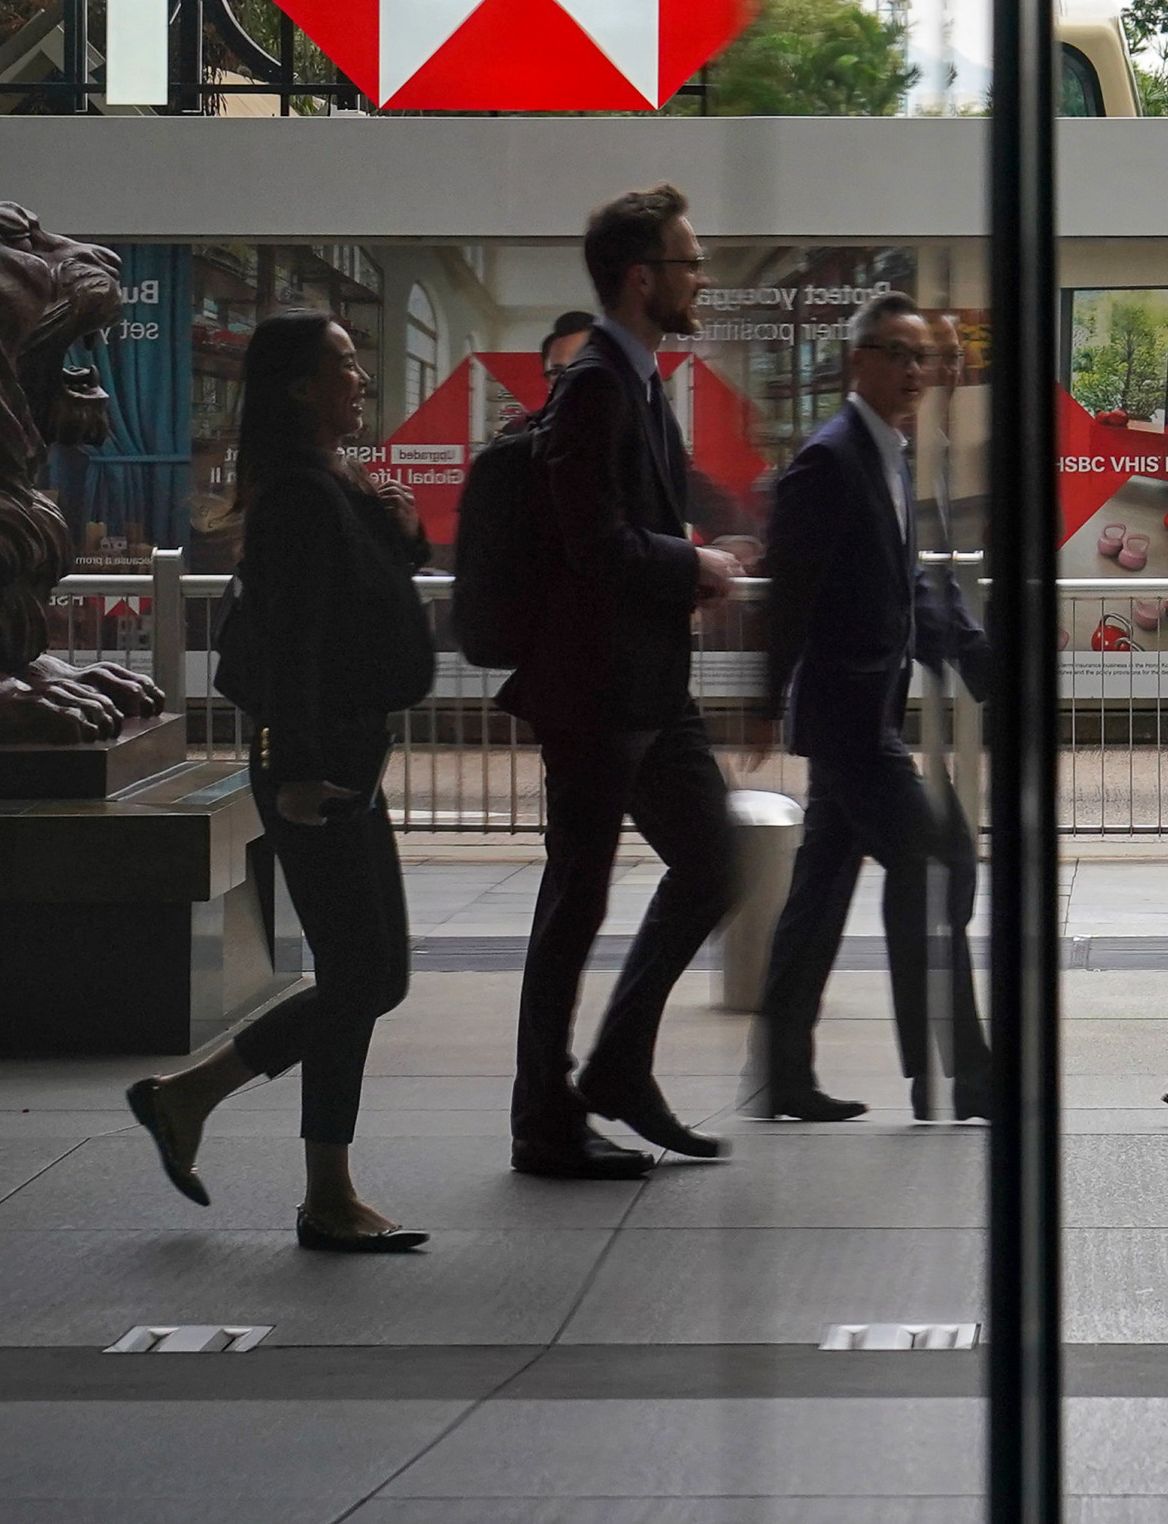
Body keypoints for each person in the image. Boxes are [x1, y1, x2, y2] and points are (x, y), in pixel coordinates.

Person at [122, 312, 434, 1251]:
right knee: (361, 974)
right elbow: (295, 641)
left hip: (346, 756)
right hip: (315, 763)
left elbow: (366, 594)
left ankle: (198, 1103)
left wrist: (398, 526)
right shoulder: (298, 493)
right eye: (343, 363)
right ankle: (312, 1184)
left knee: (376, 974)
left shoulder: (327, 482)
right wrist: (295, 771)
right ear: (300, 385)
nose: (359, 379)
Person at [501, 184, 747, 1180]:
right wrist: (694, 568)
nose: (701, 279)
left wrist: (695, 556)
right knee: (576, 901)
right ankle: (544, 1120)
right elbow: (587, 537)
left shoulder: (639, 377)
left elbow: (628, 522)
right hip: (597, 693)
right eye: (689, 263)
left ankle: (613, 1068)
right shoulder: (599, 380)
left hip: (649, 682)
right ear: (644, 277)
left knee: (716, 859)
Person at [752, 293, 992, 1123]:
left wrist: (966, 649)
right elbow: (791, 590)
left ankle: (782, 1074)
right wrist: (763, 695)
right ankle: (967, 1072)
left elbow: (907, 579)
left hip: (865, 709)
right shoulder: (830, 456)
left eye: (920, 357)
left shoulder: (885, 451)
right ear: (857, 361)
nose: (913, 370)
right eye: (895, 353)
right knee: (943, 859)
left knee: (817, 897)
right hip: (849, 715)